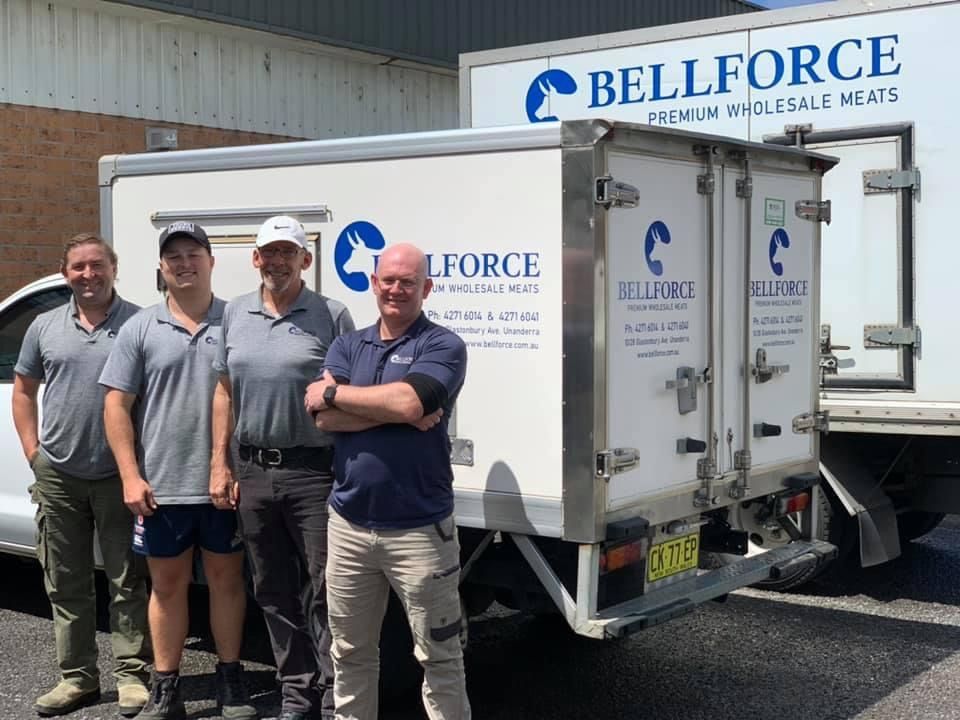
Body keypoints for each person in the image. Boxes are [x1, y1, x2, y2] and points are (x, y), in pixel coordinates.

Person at [304, 243, 470, 720]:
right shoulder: (348, 344)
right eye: (389, 280)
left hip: (420, 531)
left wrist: (339, 393)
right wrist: (393, 410)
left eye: (408, 282)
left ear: (427, 288)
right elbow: (323, 421)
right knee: (350, 651)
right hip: (349, 525)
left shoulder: (442, 345)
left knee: (439, 655)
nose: (397, 289)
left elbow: (409, 403)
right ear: (373, 283)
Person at [100, 222, 257, 720]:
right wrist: (129, 474)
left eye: (194, 253)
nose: (184, 263)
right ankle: (167, 689)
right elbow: (116, 405)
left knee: (226, 581)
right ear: (161, 268)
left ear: (211, 261)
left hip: (223, 485)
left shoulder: (239, 321)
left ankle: (230, 681)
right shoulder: (141, 327)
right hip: (162, 485)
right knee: (165, 587)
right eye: (174, 257)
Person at [211, 216, 355, 720]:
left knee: (325, 587)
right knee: (271, 588)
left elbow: (347, 394)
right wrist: (219, 464)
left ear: (305, 260)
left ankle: (338, 696)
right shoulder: (234, 313)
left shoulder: (332, 314)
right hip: (251, 470)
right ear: (255, 258)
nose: (277, 261)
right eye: (268, 252)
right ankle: (297, 693)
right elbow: (224, 389)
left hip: (314, 472)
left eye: (287, 252)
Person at [12, 233, 151, 718]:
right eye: (78, 267)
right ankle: (77, 678)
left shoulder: (140, 323)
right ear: (65, 272)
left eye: (97, 265)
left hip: (119, 475)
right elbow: (25, 391)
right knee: (66, 580)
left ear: (114, 268)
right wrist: (35, 454)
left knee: (127, 579)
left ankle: (132, 676)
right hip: (59, 474)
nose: (88, 275)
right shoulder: (44, 326)